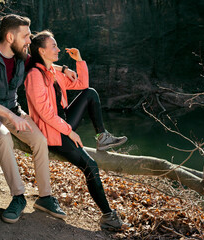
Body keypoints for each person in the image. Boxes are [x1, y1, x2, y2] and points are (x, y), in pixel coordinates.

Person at [0, 14, 77, 224]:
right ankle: (18, 197)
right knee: (4, 137)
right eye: (25, 36)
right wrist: (9, 116)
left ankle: (45, 197)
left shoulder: (21, 56)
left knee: (40, 140)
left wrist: (63, 69)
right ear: (9, 37)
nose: (29, 40)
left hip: (12, 109)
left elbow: (38, 62)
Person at [24, 30, 129, 231]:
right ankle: (108, 216)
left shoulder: (53, 72)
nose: (57, 48)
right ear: (41, 51)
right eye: (53, 46)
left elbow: (83, 84)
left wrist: (79, 61)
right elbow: (45, 113)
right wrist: (69, 131)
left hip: (63, 123)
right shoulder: (34, 76)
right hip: (52, 133)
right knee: (90, 166)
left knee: (90, 93)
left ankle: (102, 136)